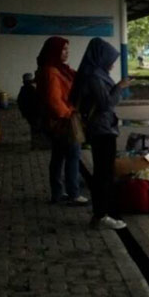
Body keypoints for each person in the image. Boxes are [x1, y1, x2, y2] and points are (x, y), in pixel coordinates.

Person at [70, 38, 131, 230]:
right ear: (101, 57)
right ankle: (102, 214)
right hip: (101, 130)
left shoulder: (97, 73)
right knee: (103, 174)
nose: (112, 63)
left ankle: (103, 213)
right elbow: (106, 104)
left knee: (104, 172)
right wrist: (120, 87)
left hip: (103, 128)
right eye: (110, 59)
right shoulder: (94, 77)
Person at [35, 36, 88, 205]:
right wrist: (69, 115)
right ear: (54, 51)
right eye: (63, 49)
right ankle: (73, 194)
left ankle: (57, 193)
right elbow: (54, 101)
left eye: (67, 49)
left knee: (58, 157)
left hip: (56, 122)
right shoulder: (51, 71)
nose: (67, 53)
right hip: (62, 122)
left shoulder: (58, 69)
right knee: (73, 155)